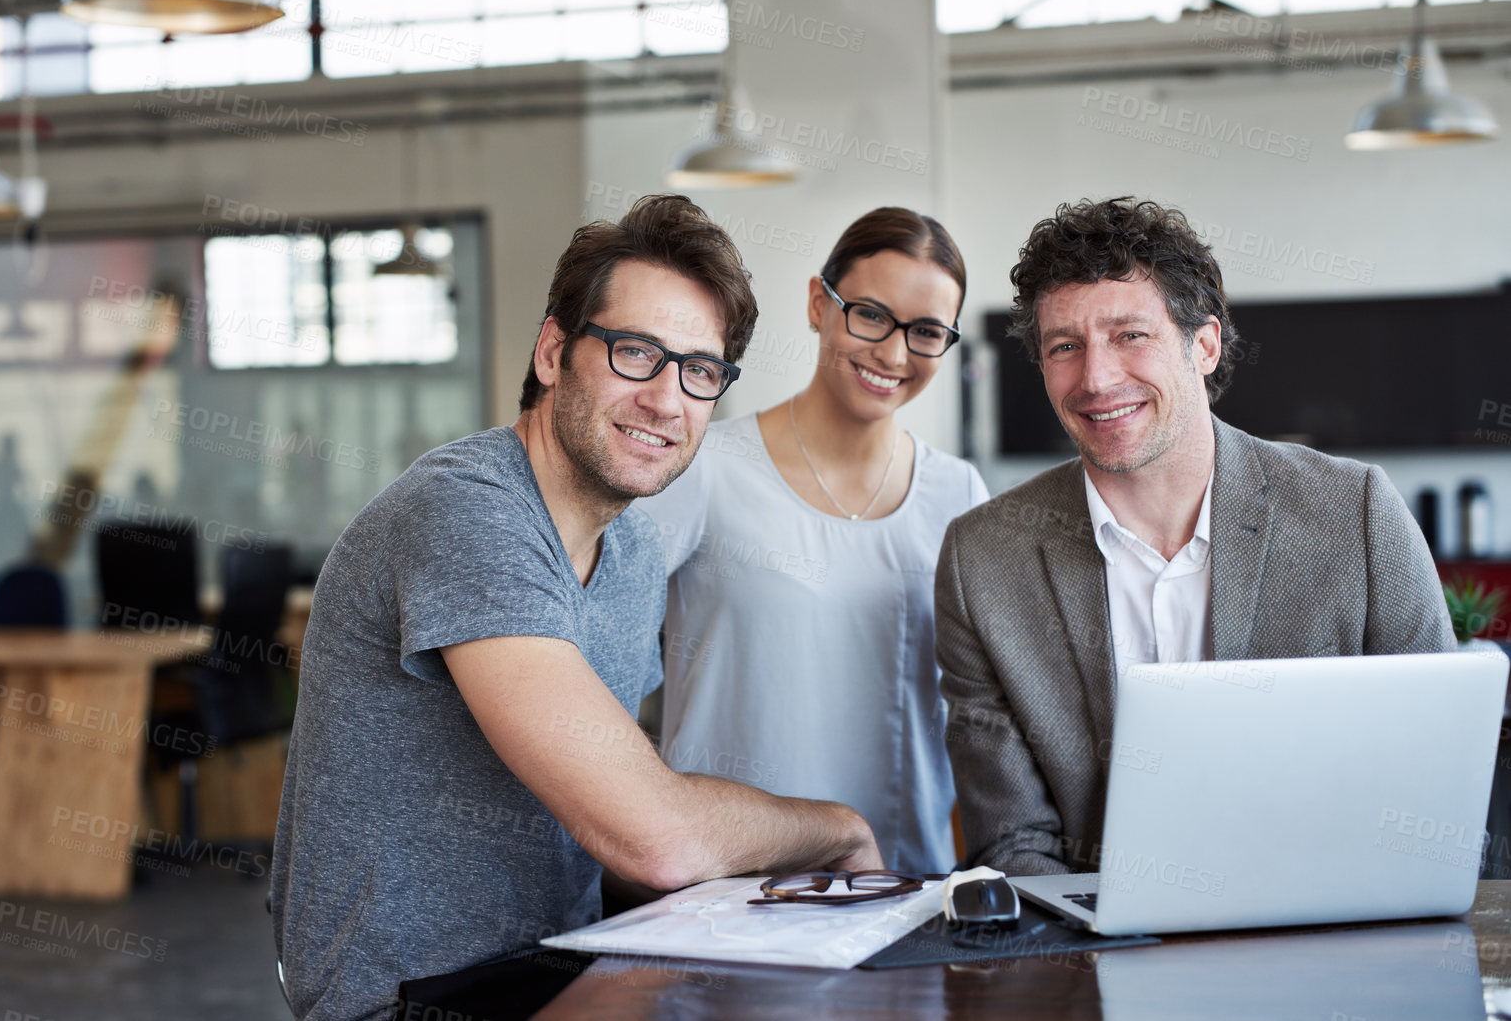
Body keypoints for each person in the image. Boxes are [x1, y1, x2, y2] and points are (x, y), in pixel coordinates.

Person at [271, 194, 881, 1021]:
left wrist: (784, 901)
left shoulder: (630, 553)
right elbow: (652, 838)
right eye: (635, 352)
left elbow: (611, 844)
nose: (666, 400)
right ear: (554, 350)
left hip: (556, 970)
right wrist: (833, 829)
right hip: (408, 1000)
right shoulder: (467, 511)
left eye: (699, 371)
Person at [935, 196, 1454, 877]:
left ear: (1203, 344)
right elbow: (1012, 842)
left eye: (1130, 335)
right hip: (1093, 958)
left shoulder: (1354, 514)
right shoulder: (983, 559)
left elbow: (1435, 777)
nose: (1095, 378)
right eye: (1065, 346)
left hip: (1331, 932)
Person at [639, 206, 988, 876]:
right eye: (869, 314)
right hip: (726, 887)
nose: (892, 352)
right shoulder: (704, 468)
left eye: (925, 332)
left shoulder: (958, 495)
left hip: (901, 887)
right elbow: (598, 663)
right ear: (816, 304)